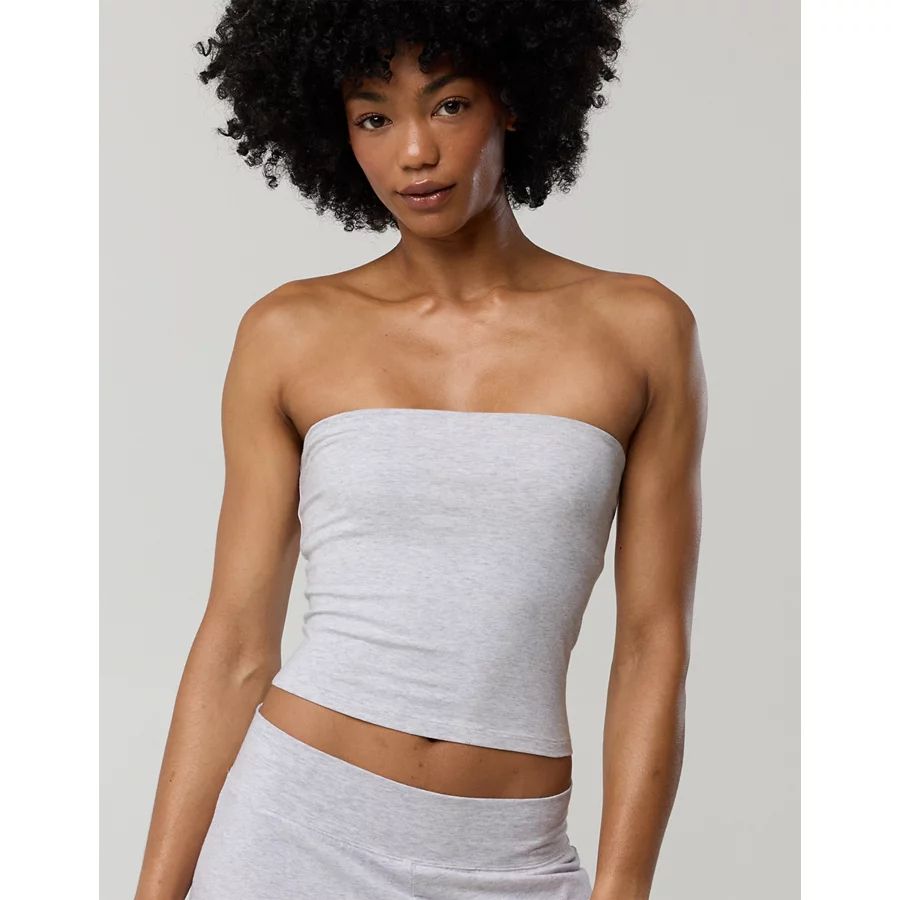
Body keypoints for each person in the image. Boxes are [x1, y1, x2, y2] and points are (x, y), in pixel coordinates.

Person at [134, 2, 707, 899]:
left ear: (511, 100)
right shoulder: (290, 331)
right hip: (291, 828)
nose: (413, 152)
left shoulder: (640, 330)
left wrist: (623, 888)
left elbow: (650, 644)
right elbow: (236, 642)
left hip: (509, 857)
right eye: (373, 117)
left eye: (448, 105)